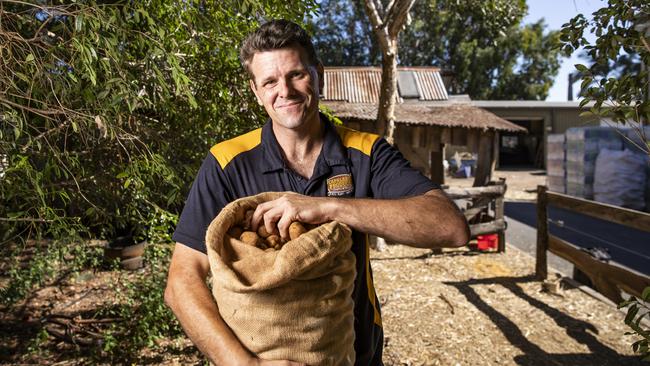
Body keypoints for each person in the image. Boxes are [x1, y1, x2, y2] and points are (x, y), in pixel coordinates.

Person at [164, 19, 469, 366]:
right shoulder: (226, 162)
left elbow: (451, 227)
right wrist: (245, 364)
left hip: (356, 356)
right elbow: (181, 282)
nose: (286, 91)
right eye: (270, 81)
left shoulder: (367, 152)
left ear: (318, 73)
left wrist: (328, 208)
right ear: (255, 90)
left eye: (296, 74)